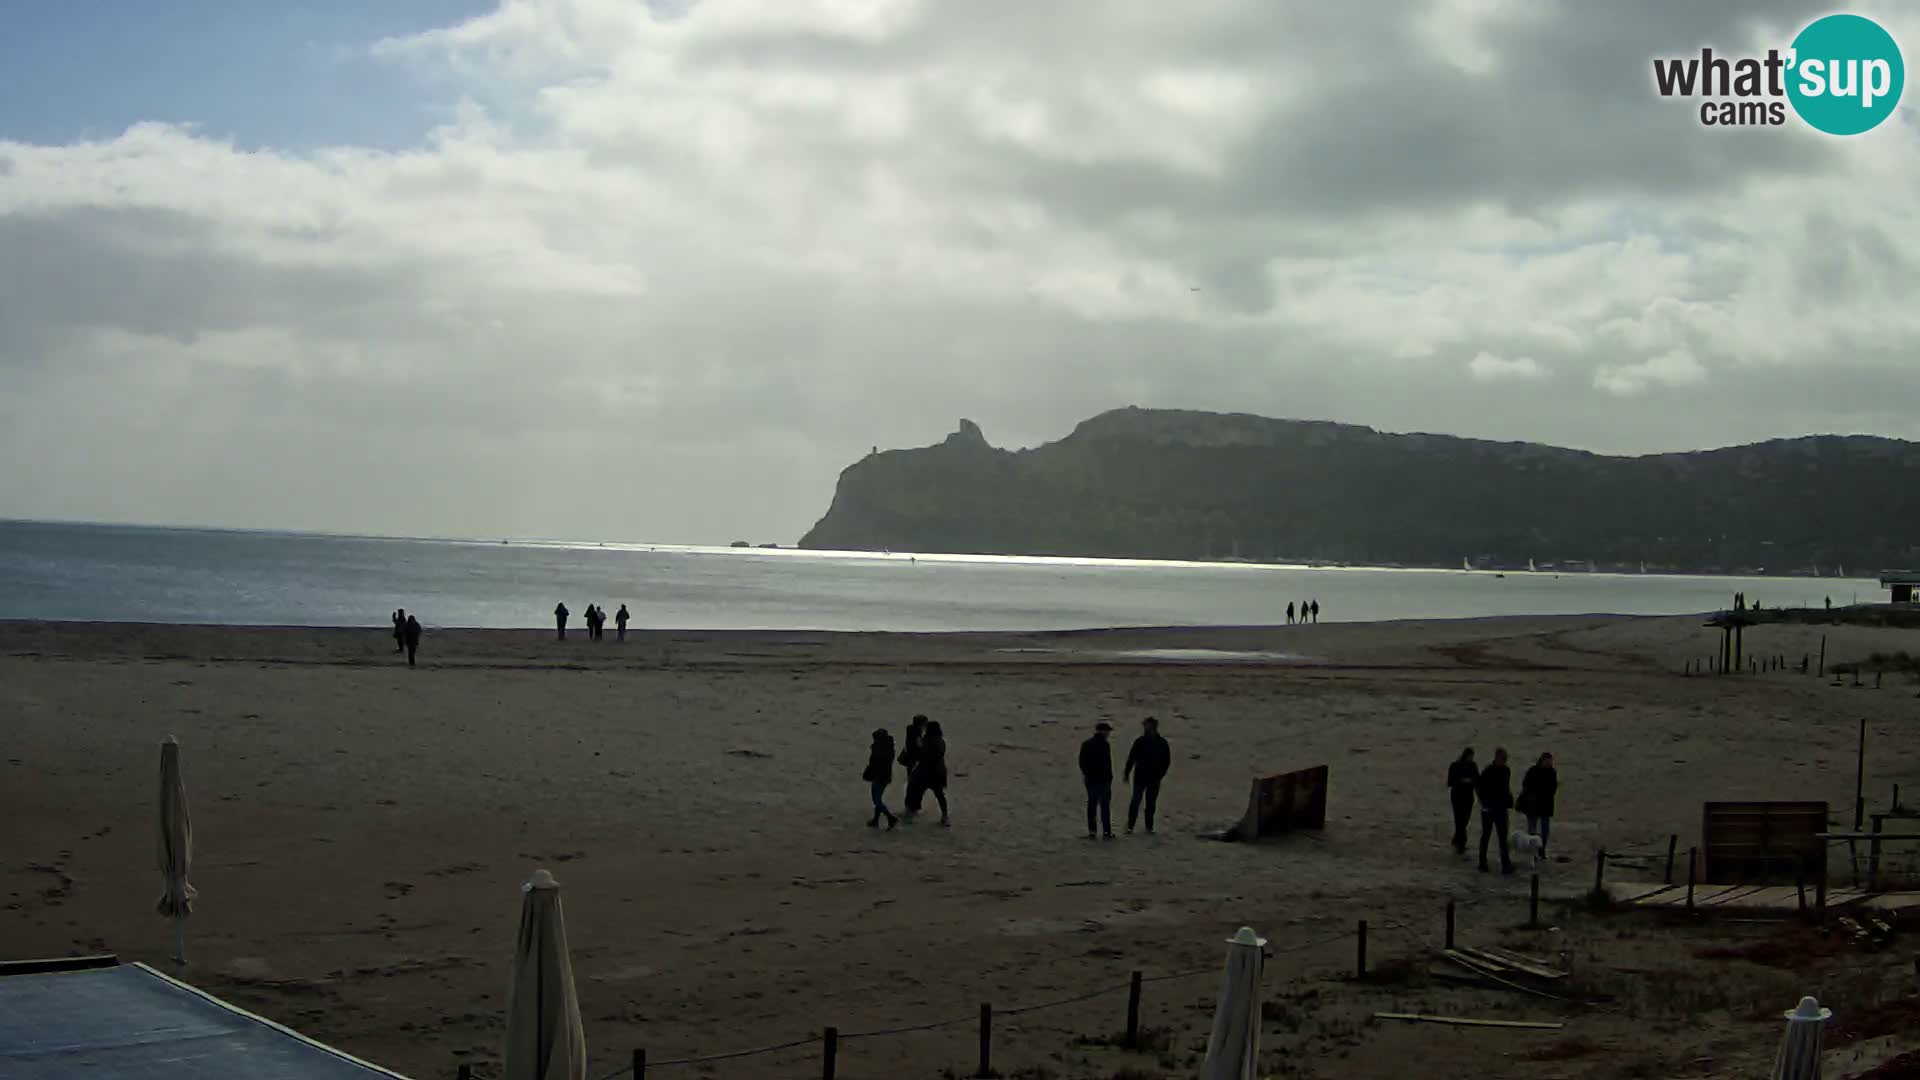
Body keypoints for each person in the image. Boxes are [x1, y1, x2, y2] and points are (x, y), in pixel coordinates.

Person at [1123, 716, 1170, 835]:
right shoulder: (1141, 741)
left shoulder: (1161, 743)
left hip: (1152, 777)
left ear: (1152, 727)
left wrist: (1160, 774)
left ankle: (1148, 827)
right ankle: (1131, 826)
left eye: (1146, 725)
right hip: (1141, 777)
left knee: (1150, 804)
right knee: (1136, 802)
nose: (1144, 727)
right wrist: (1127, 773)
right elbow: (1131, 758)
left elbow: (1166, 761)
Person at [1477, 747, 1515, 874]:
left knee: (1503, 838)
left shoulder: (1506, 771)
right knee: (1486, 836)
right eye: (1503, 759)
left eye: (1506, 759)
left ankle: (1506, 864)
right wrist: (1484, 803)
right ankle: (1482, 862)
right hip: (1488, 809)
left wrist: (1509, 801)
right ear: (1497, 758)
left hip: (1501, 808)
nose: (1504, 761)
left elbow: (1506, 788)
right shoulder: (1488, 771)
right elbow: (1479, 788)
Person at [1079, 721, 1115, 840]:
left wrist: (1087, 774)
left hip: (1091, 780)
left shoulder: (1086, 744)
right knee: (1104, 807)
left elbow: (1082, 763)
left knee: (1092, 805)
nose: (1108, 733)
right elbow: (1107, 763)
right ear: (1103, 731)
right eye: (1108, 731)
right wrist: (1110, 777)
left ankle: (1092, 831)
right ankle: (1106, 831)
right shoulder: (1105, 745)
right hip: (1103, 780)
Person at [1517, 752, 1558, 856]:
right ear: (1542, 761)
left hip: (1544, 805)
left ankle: (1541, 849)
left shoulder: (1552, 772)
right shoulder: (1533, 771)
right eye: (1547, 762)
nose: (1549, 764)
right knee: (1532, 830)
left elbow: (1553, 788)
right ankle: (1534, 851)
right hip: (1533, 805)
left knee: (1544, 830)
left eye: (1550, 762)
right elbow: (1525, 784)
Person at [913, 720, 950, 826]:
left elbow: (922, 755)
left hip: (928, 771)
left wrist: (919, 746)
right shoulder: (941, 740)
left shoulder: (928, 740)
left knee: (917, 790)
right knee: (939, 794)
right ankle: (945, 815)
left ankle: (913, 810)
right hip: (939, 771)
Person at [862, 728, 899, 830]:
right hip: (885, 776)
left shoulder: (879, 750)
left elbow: (874, 764)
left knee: (877, 800)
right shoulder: (889, 748)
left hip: (879, 777)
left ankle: (890, 818)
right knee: (878, 799)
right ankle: (876, 820)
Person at [1446, 748, 1479, 855]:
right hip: (1457, 796)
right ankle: (1461, 844)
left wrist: (1472, 782)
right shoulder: (1455, 766)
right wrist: (1462, 781)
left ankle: (1457, 839)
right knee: (1459, 820)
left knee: (1465, 820)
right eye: (1470, 756)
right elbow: (1450, 781)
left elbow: (1477, 780)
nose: (1471, 758)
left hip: (1468, 797)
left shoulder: (1473, 766)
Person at [899, 715, 929, 819]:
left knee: (911, 786)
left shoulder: (910, 730)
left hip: (910, 763)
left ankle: (909, 808)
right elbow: (919, 748)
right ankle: (912, 809)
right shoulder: (917, 735)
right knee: (915, 787)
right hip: (915, 764)